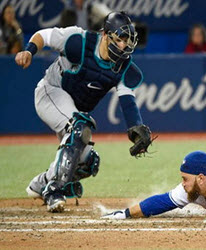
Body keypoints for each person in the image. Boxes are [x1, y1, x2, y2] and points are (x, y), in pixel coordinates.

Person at [15, 11, 153, 213]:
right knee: (80, 128)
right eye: (120, 39)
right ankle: (54, 191)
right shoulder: (79, 41)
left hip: (73, 111)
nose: (124, 45)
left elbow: (127, 100)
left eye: (127, 40)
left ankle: (41, 183)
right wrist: (29, 51)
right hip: (51, 92)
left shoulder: (123, 66)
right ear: (106, 34)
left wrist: (136, 128)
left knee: (88, 162)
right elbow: (44, 36)